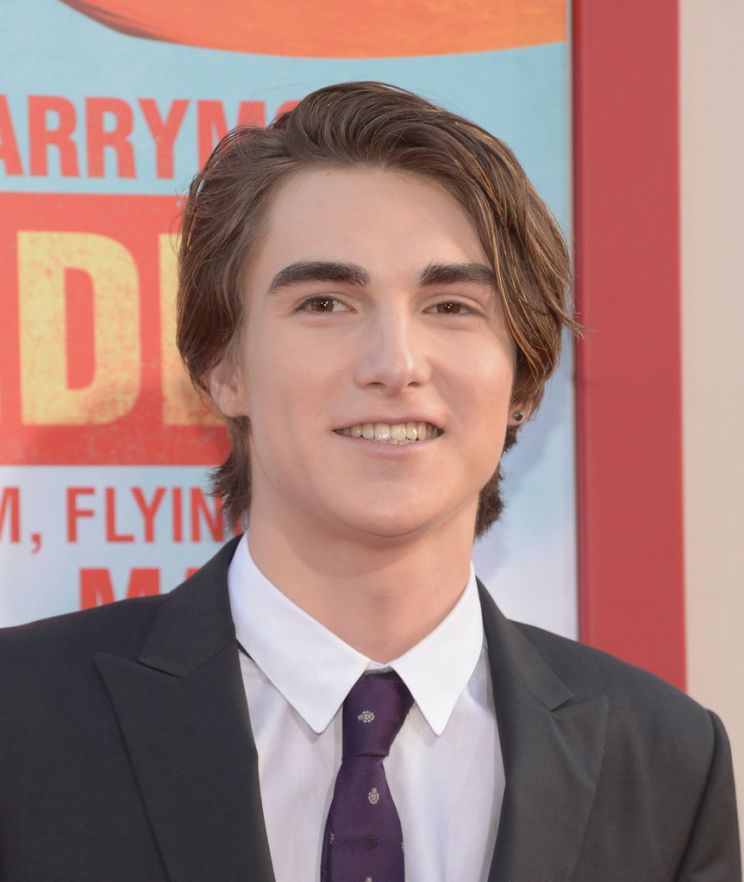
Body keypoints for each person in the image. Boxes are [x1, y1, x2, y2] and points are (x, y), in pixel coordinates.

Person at [0, 81, 739, 882]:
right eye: (325, 303)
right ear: (223, 367)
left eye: (451, 306)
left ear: (523, 380)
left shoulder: (667, 762)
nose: (396, 363)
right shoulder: (20, 720)